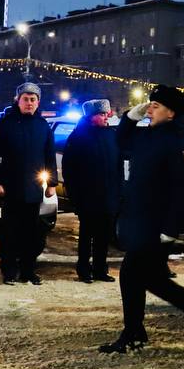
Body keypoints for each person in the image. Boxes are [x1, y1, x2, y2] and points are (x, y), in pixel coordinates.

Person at [97, 85, 184, 353]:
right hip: (140, 217)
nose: (150, 108)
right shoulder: (150, 134)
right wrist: (129, 118)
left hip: (156, 223)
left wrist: (170, 228)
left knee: (131, 274)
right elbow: (122, 141)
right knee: (150, 277)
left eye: (156, 105)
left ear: (171, 113)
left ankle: (134, 333)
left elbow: (183, 188)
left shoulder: (180, 142)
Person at [0, 81, 58, 285]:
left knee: (31, 234)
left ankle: (28, 271)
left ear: (38, 103)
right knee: (10, 233)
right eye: (25, 99)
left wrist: (52, 183)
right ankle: (9, 271)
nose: (29, 103)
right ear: (18, 101)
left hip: (34, 189)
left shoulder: (42, 126)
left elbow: (49, 155)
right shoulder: (6, 124)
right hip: (11, 187)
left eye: (33, 99)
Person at [60, 99, 121, 283]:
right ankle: (84, 269)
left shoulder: (111, 135)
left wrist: (119, 191)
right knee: (87, 235)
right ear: (91, 116)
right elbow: (69, 169)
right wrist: (75, 196)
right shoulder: (78, 136)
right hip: (87, 197)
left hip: (108, 195)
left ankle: (101, 269)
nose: (105, 117)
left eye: (106, 114)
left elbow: (118, 165)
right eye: (102, 114)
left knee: (104, 236)